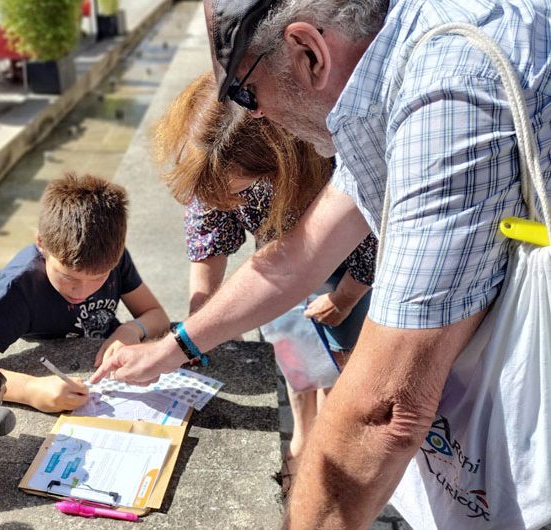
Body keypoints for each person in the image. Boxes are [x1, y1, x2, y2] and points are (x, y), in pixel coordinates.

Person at [93, 0, 551, 528]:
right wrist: (175, 347)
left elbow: (386, 411)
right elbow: (296, 258)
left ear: (309, 52)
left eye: (246, 91)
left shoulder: (447, 99)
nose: (255, 114)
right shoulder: (397, 66)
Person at [154, 71, 376, 492]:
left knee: (338, 363)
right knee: (294, 350)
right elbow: (209, 236)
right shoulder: (217, 154)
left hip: (352, 271)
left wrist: (346, 297)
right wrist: (200, 321)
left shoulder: (329, 155)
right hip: (278, 264)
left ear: (273, 163)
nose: (229, 199)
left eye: (235, 190)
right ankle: (302, 435)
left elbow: (373, 240)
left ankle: (322, 448)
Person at [0, 173, 170, 413]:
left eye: (99, 278)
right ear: (42, 243)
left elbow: (156, 315)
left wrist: (131, 330)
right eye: (68, 277)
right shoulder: (17, 288)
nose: (82, 291)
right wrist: (29, 389)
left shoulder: (112, 258)